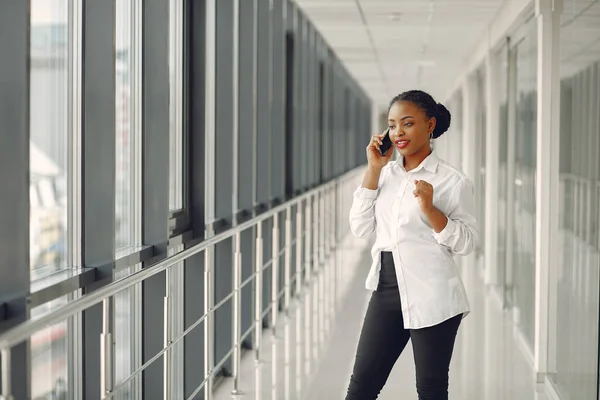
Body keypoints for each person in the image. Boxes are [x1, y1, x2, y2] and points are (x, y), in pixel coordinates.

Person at [346, 90, 478, 400]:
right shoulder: (385, 174)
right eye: (392, 125)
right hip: (386, 290)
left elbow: (467, 242)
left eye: (407, 123)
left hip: (434, 294)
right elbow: (360, 227)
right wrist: (374, 169)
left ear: (430, 125)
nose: (398, 133)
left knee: (430, 389)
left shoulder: (452, 181)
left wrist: (431, 210)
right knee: (361, 385)